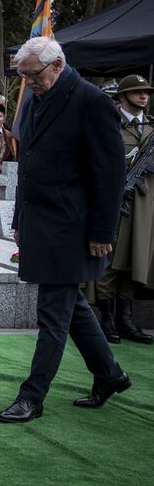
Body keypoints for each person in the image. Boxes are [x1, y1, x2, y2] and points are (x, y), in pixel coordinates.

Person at [0, 37, 130, 424]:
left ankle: (32, 396)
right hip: (42, 221)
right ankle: (109, 374)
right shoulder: (39, 96)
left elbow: (110, 175)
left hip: (74, 227)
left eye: (32, 75)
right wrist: (19, 219)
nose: (28, 82)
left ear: (57, 65)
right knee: (72, 309)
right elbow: (30, 164)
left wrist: (103, 231)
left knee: (53, 314)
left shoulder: (92, 102)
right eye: (23, 76)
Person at [91, 74, 154, 345]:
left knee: (134, 258)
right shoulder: (109, 125)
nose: (143, 96)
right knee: (110, 258)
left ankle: (125, 318)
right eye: (137, 92)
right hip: (114, 201)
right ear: (123, 96)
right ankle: (106, 318)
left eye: (146, 92)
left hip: (143, 204)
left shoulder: (150, 129)